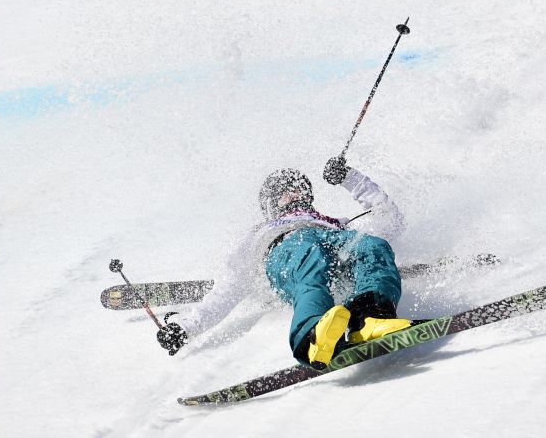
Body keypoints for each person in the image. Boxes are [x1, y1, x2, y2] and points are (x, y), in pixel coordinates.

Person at [156, 156, 411, 370]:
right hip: (288, 252)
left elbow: (391, 221)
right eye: (282, 193)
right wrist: (186, 327)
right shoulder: (260, 234)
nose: (292, 194)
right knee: (310, 253)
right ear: (269, 205)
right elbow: (229, 288)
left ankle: (371, 318)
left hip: (333, 245)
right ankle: (311, 336)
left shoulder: (335, 222)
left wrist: (349, 178)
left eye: (298, 189)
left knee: (373, 245)